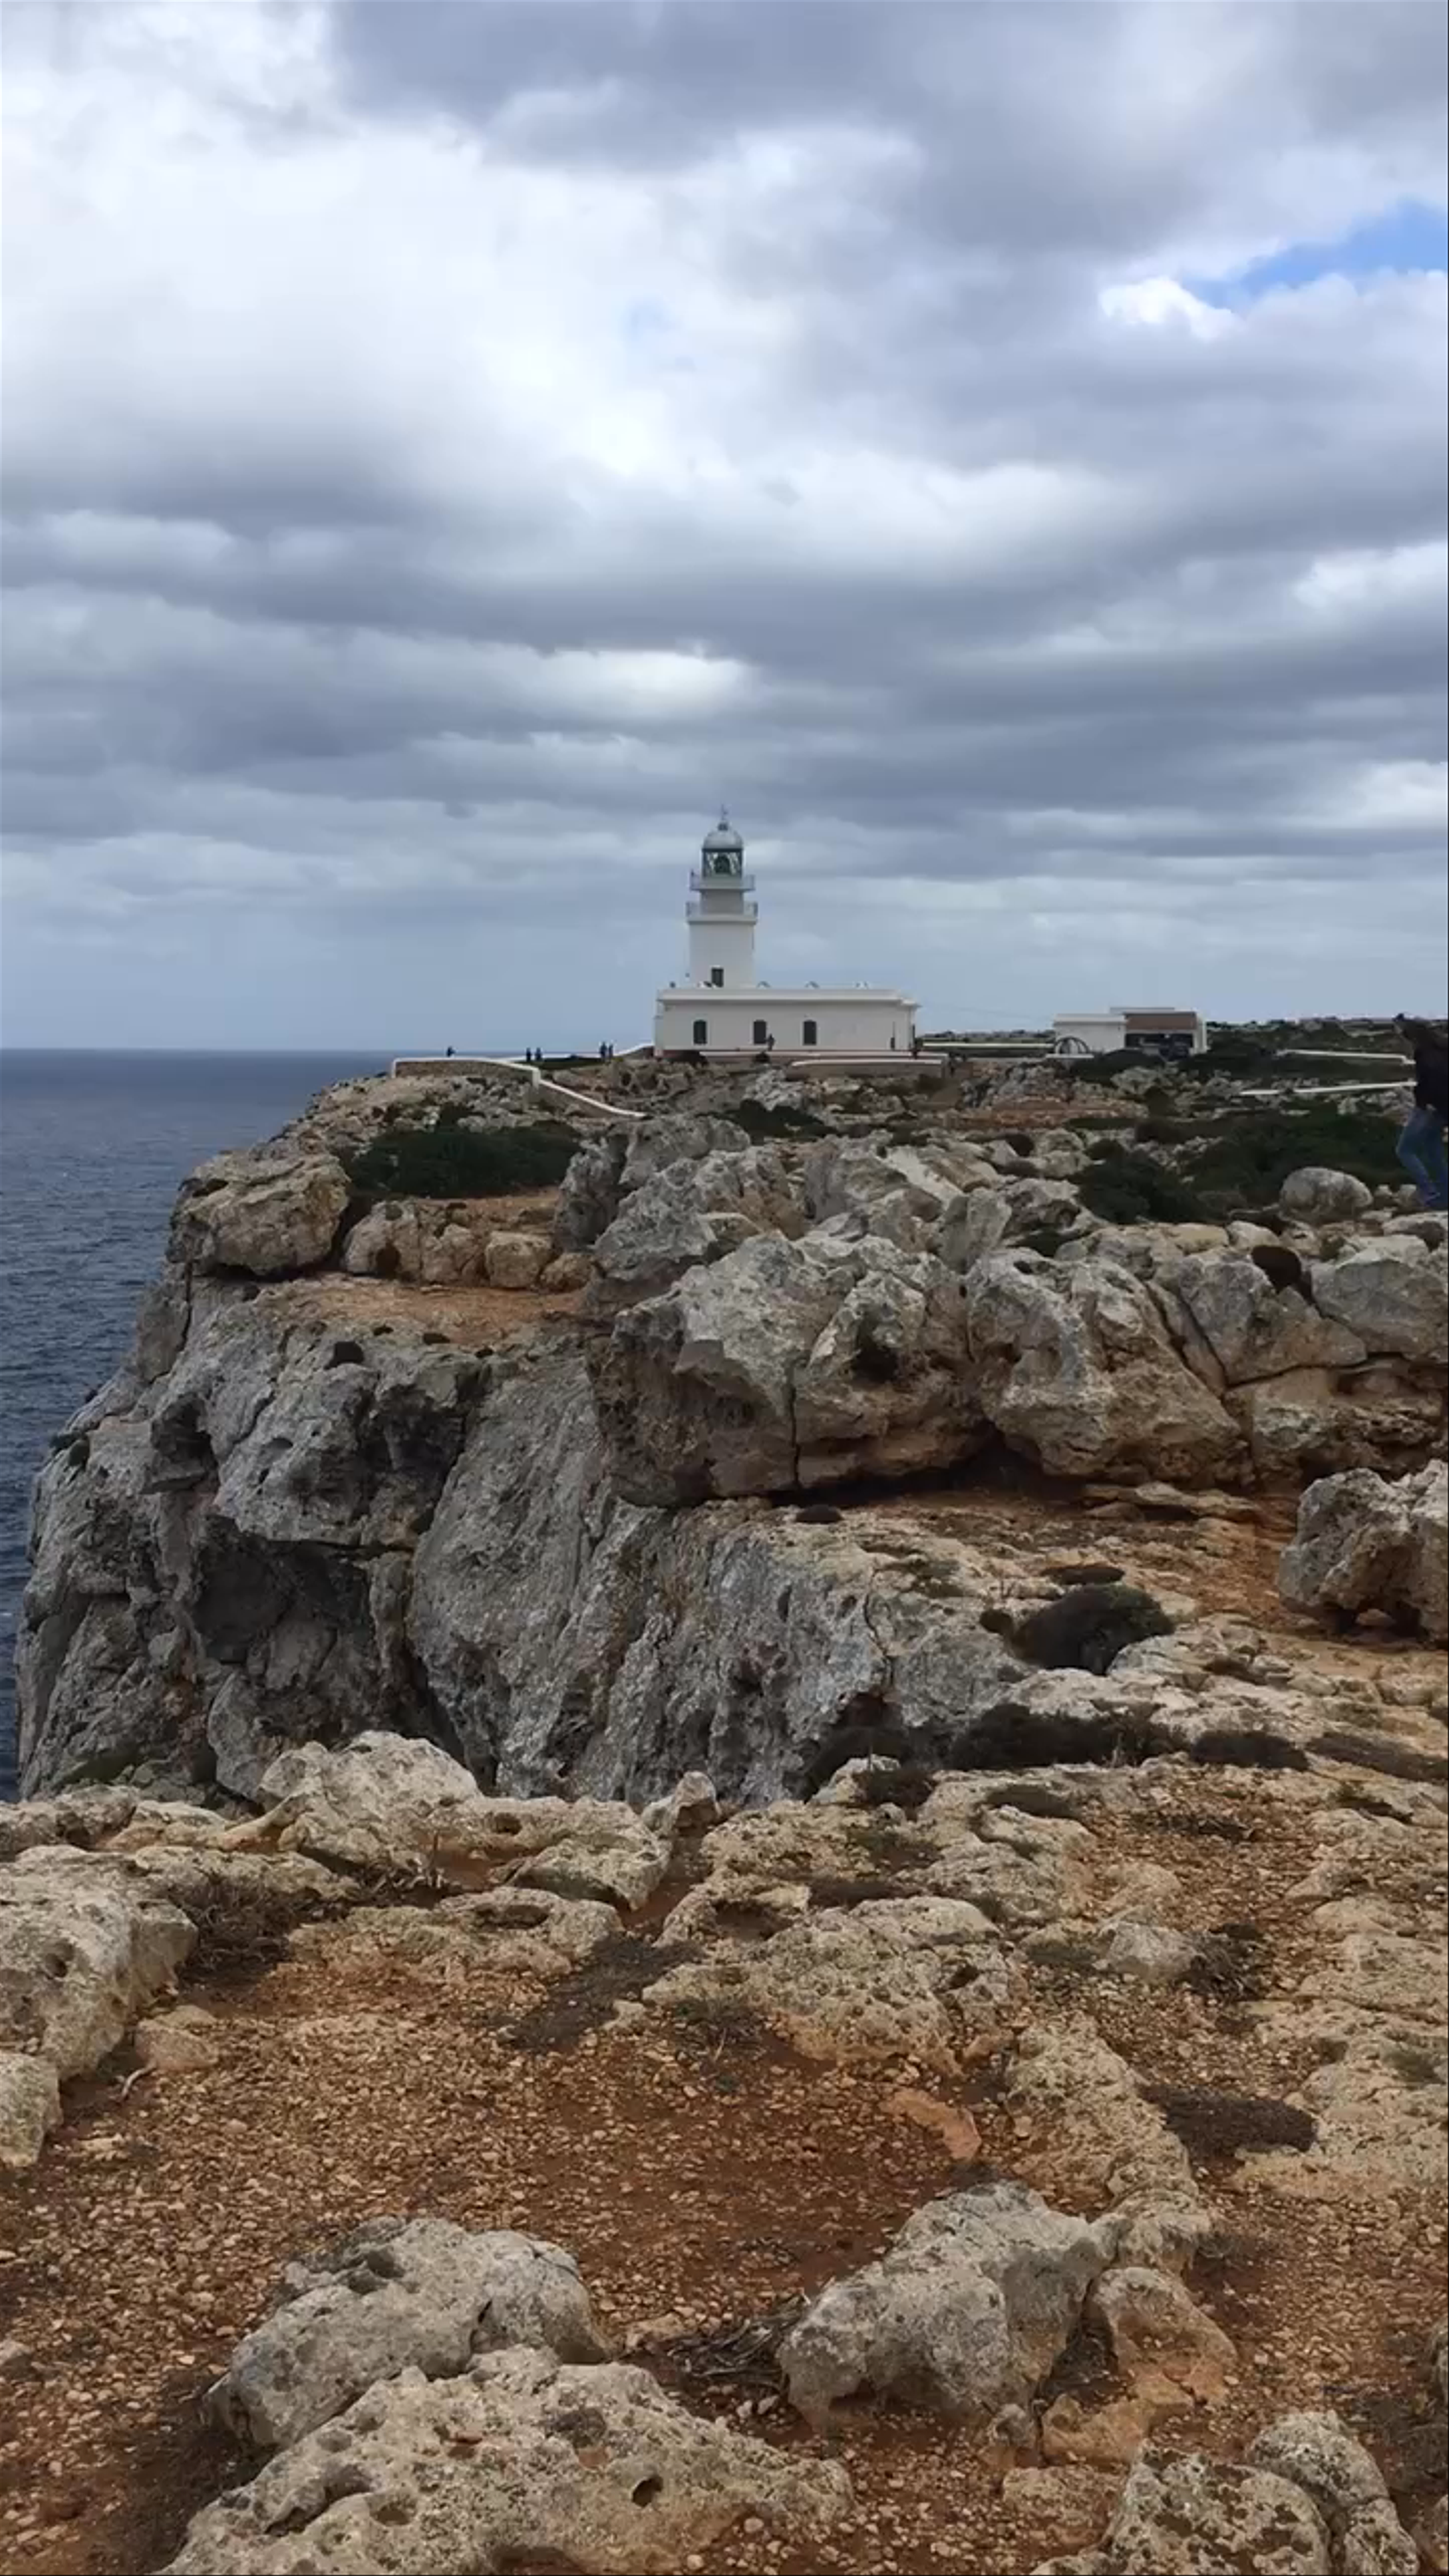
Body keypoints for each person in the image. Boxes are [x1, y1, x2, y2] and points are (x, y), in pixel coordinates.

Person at [1396, 1021, 1449, 1210]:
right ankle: (1445, 1196)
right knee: (1433, 1148)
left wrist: (1424, 1102)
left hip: (1430, 1108)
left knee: (1405, 1150)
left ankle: (1431, 1193)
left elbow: (1430, 1082)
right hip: (1444, 1109)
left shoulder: (1424, 1055)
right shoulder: (1443, 1049)